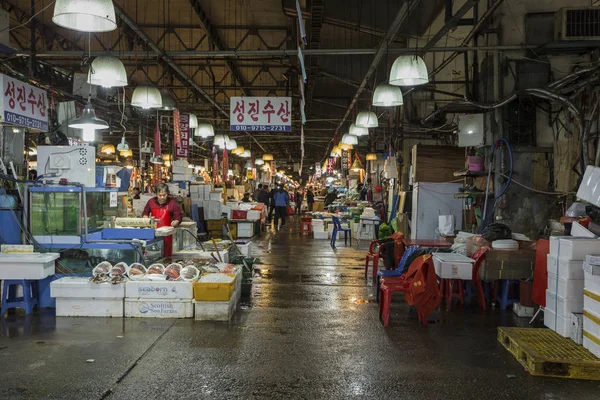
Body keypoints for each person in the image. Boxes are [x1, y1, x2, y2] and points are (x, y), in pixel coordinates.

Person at [142, 183, 182, 256]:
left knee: (166, 256)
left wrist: (176, 222)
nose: (162, 197)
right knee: (153, 255)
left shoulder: (172, 203)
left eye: (165, 195)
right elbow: (145, 213)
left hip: (167, 235)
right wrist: (146, 219)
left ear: (168, 193)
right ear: (156, 194)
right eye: (160, 195)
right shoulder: (151, 202)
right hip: (153, 234)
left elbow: (178, 217)